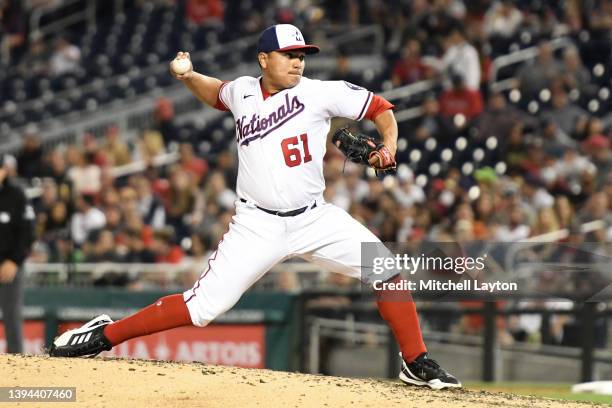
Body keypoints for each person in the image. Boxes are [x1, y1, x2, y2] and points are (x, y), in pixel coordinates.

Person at [49, 24, 461, 390]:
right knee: (202, 307)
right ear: (265, 59)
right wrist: (190, 75)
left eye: (301, 56)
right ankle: (106, 335)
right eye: (289, 55)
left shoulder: (320, 92)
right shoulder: (244, 90)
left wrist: (387, 146)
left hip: (314, 217)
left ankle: (414, 360)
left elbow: (381, 108)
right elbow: (217, 94)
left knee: (385, 269)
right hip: (257, 224)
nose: (298, 63)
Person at [0, 155, 35, 353]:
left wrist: (14, 261)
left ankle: (16, 369)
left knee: (12, 318)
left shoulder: (16, 195)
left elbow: (28, 233)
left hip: (9, 268)